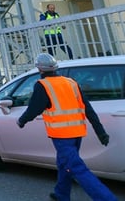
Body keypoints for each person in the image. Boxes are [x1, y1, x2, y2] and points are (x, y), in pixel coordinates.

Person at [17, 53, 115, 201]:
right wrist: (100, 132)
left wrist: (21, 121)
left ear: (40, 69)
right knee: (64, 163)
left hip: (62, 136)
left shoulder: (42, 85)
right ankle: (61, 194)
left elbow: (33, 109)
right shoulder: (71, 82)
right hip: (77, 133)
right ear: (55, 67)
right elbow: (88, 109)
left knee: (77, 168)